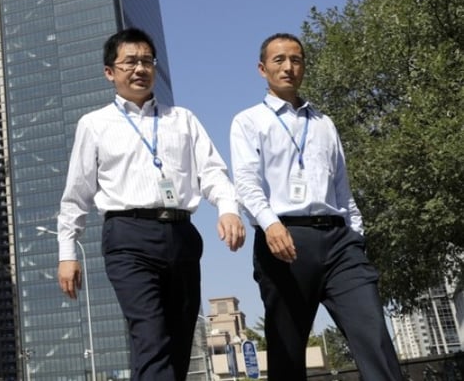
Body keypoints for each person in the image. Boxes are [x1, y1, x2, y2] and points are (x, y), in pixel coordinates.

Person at [57, 27, 245, 381]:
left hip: (182, 234)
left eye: (147, 61)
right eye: (130, 62)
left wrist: (228, 208)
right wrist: (67, 253)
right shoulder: (94, 124)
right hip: (128, 237)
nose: (140, 68)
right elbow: (76, 194)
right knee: (150, 336)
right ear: (110, 72)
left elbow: (213, 172)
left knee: (178, 342)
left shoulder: (183, 120)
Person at [230, 33, 404, 380]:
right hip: (284, 241)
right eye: (279, 60)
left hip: (340, 244)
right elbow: (246, 183)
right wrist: (270, 224)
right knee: (288, 352)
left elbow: (342, 188)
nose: (289, 67)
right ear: (262, 69)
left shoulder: (324, 123)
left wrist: (355, 235)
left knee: (374, 336)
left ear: (304, 66)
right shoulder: (248, 121)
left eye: (296, 59)